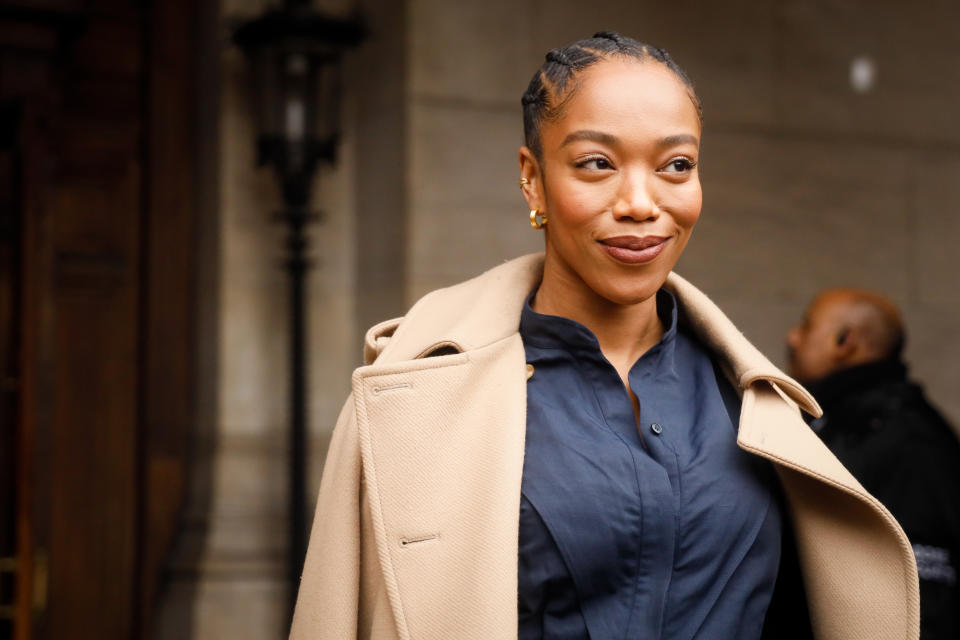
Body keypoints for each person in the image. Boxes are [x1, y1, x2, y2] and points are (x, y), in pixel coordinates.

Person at [290, 33, 919, 640]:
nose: (641, 202)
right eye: (597, 163)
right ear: (532, 178)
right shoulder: (413, 393)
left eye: (677, 165)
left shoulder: (755, 405)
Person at [788, 288, 960, 639]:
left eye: (806, 326)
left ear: (844, 341)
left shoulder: (908, 439)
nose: (792, 337)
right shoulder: (838, 421)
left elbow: (924, 592)